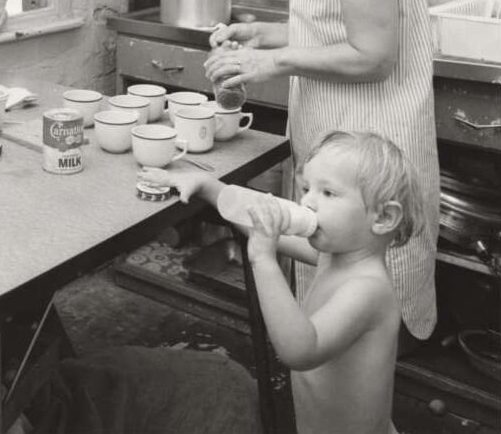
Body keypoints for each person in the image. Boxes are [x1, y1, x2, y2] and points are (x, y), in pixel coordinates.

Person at [204, 0, 439, 350]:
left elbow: (374, 55)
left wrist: (273, 64)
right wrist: (265, 33)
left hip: (370, 164)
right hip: (347, 161)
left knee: (361, 332)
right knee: (339, 327)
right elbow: (340, 27)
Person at [140, 130, 425, 434]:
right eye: (306, 188)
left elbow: (300, 351)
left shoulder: (368, 289)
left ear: (382, 218)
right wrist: (208, 187)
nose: (308, 202)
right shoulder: (336, 254)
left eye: (328, 193)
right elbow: (261, 221)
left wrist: (263, 261)